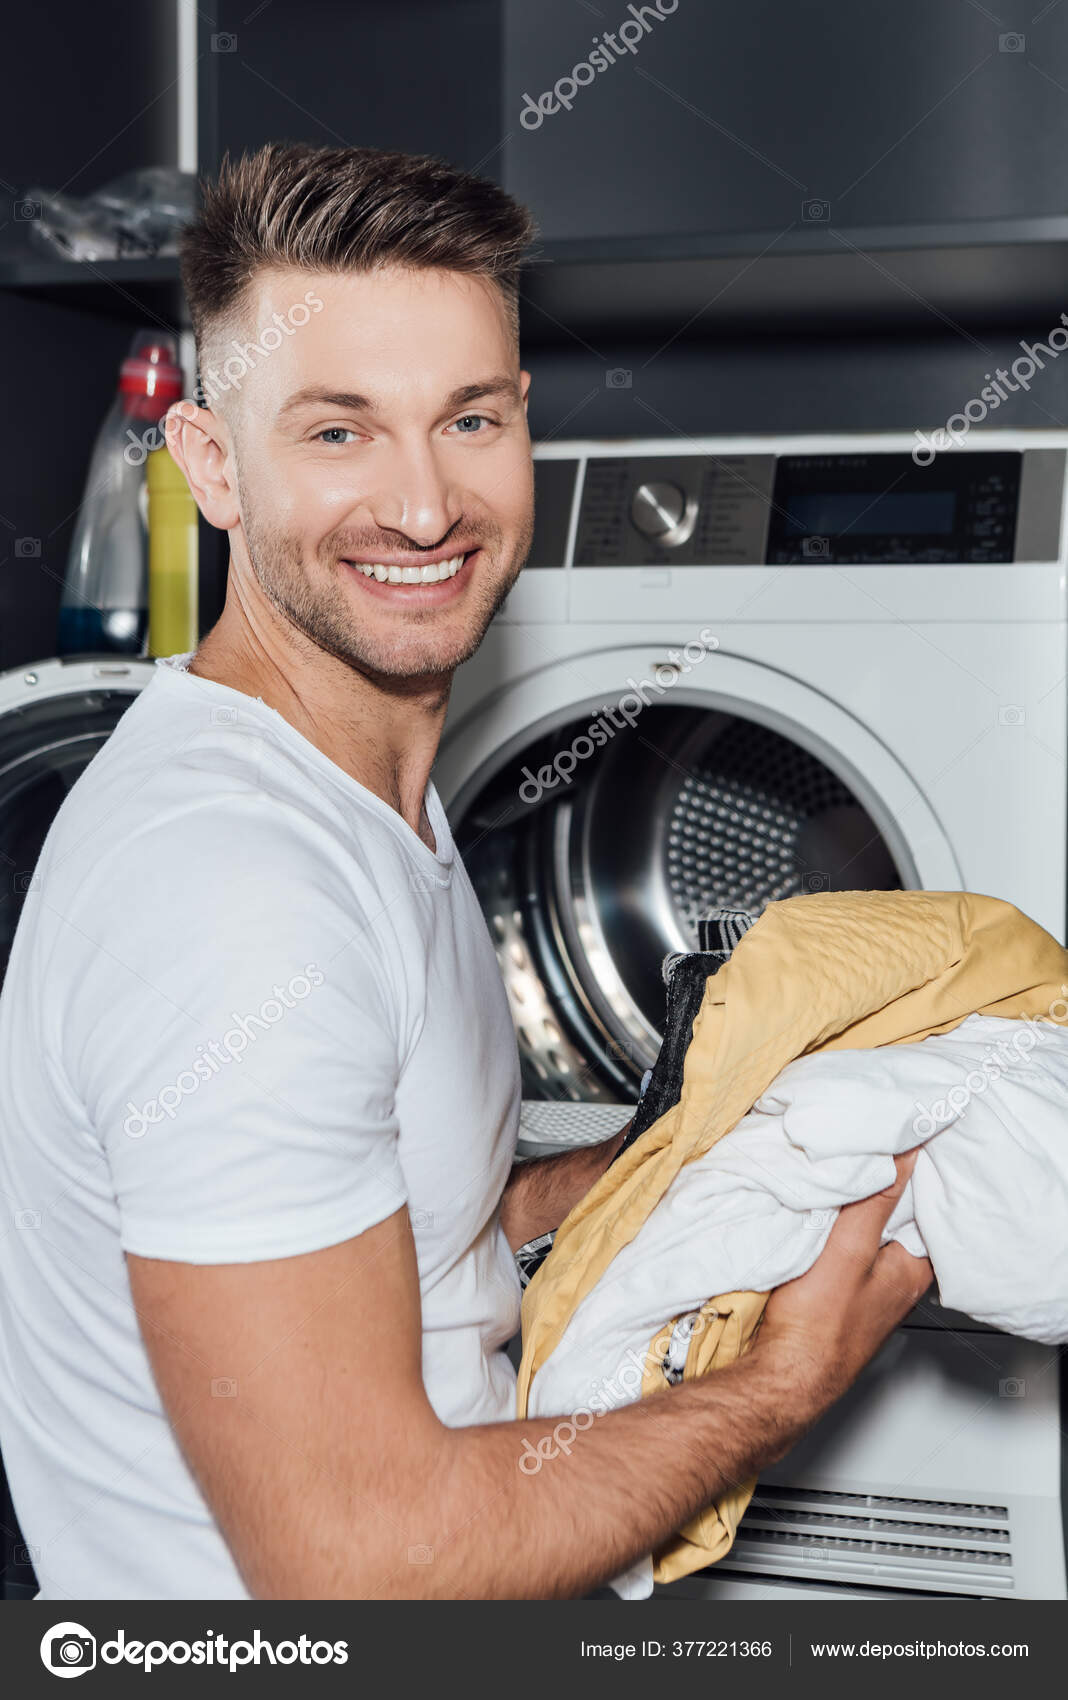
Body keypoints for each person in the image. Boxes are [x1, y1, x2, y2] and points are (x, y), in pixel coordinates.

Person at [0, 142, 931, 1601]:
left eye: (469, 418)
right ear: (213, 467)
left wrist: (643, 1166)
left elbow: (390, 1230)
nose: (426, 507)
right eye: (339, 433)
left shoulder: (362, 806)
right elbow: (359, 1565)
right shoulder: (234, 892)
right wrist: (787, 1380)